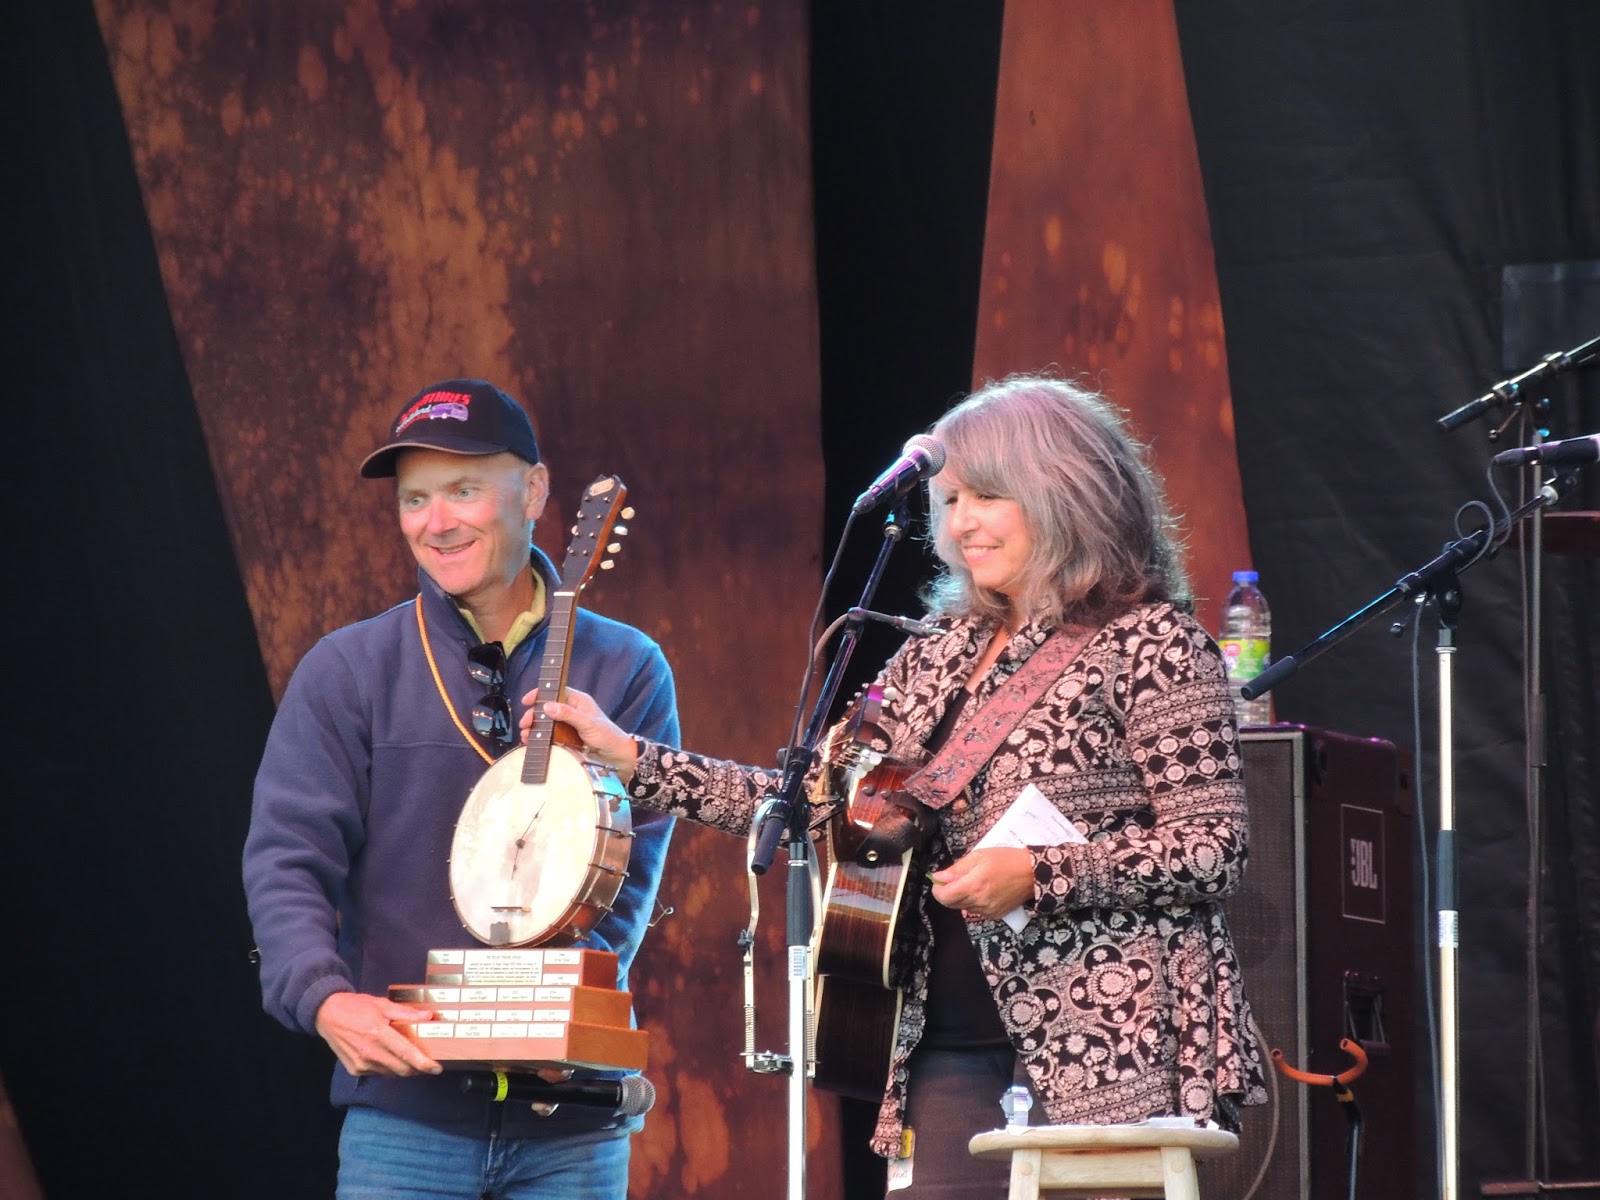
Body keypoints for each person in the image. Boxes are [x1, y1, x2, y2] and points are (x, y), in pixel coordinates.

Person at [538, 373, 1268, 1197]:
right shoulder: (934, 651)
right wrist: (632, 758)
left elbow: (1213, 849)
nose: (961, 523)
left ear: (1065, 491)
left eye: (988, 496)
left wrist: (1040, 872)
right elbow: (812, 802)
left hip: (1111, 1040)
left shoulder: (1154, 643)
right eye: (951, 500)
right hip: (941, 1049)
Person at [243, 379, 678, 1200]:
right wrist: (323, 997)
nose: (436, 522)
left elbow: (629, 876)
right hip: (404, 1123)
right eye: (415, 499)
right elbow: (285, 861)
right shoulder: (348, 670)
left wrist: (554, 1013)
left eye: (464, 490)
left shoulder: (626, 668)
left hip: (571, 1128)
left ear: (536, 491)